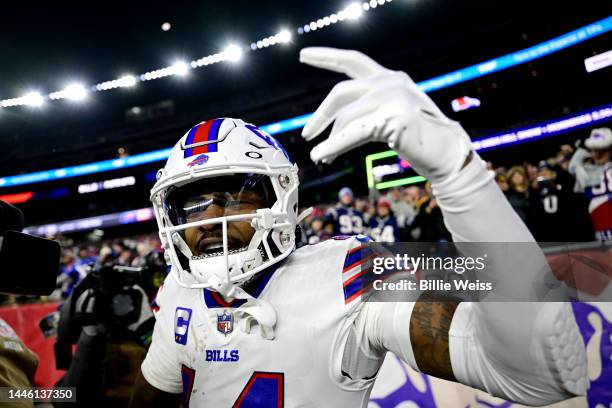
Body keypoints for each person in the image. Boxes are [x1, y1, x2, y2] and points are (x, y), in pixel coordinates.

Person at [130, 48, 587, 407]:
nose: (210, 217)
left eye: (233, 194)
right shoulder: (179, 290)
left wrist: (459, 177)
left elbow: (538, 374)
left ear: (280, 199)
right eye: (192, 204)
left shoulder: (351, 274)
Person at [569, 127, 612, 241]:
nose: (598, 154)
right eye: (594, 150)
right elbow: (572, 168)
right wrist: (583, 148)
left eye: (602, 150)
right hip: (600, 228)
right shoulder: (587, 171)